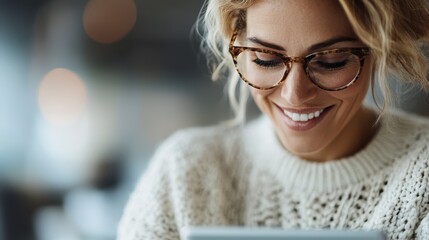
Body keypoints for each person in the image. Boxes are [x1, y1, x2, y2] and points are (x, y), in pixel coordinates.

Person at [117, 0, 429, 239]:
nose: (295, 94)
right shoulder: (183, 173)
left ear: (377, 47)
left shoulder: (422, 173)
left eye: (331, 61)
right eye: (266, 59)